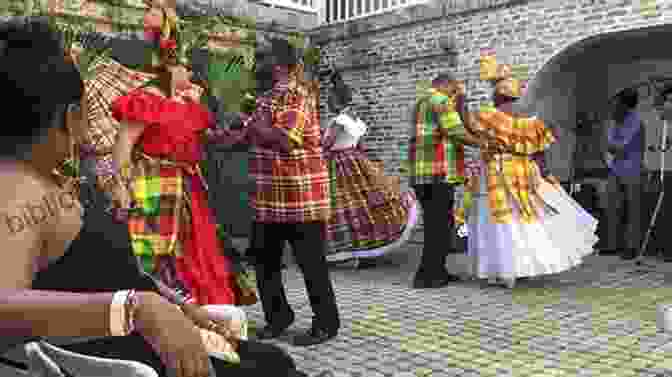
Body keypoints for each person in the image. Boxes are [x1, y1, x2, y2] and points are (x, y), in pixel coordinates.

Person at [0, 16, 313, 377]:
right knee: (276, 366)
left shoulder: (47, 180)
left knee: (272, 359)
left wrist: (182, 306)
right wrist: (135, 309)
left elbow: (112, 272)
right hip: (129, 355)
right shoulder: (17, 188)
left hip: (154, 331)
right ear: (71, 118)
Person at [82, 0, 257, 306]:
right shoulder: (145, 99)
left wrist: (241, 133)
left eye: (188, 66)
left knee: (201, 259)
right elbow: (122, 151)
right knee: (157, 262)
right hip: (152, 190)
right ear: (167, 66)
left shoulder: (191, 104)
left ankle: (207, 324)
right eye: (183, 66)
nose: (189, 73)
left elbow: (202, 142)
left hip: (190, 192)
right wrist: (121, 191)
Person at [209, 37, 340, 346]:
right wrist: (215, 137)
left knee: (312, 264)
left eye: (262, 58)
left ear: (279, 64)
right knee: (264, 262)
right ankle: (278, 317)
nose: (257, 63)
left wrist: (252, 125)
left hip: (300, 198)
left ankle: (326, 323)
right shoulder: (266, 98)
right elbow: (247, 137)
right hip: (268, 199)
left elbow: (284, 139)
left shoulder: (297, 95)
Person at [457, 66, 597, 288]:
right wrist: (547, 174)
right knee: (523, 221)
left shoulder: (490, 116)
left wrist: (460, 101)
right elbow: (540, 154)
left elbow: (468, 127)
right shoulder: (531, 123)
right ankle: (522, 269)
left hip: (497, 173)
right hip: (525, 174)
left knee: (499, 222)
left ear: (498, 97)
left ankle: (504, 272)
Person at [321, 70, 419, 266]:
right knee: (363, 206)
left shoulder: (339, 121)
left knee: (342, 207)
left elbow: (326, 145)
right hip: (357, 161)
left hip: (338, 164)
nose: (328, 104)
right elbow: (360, 147)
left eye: (329, 101)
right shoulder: (358, 122)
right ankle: (366, 249)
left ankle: (348, 251)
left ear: (335, 101)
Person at [404, 72, 482, 289]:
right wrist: (482, 143)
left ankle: (437, 271)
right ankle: (427, 276)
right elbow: (456, 131)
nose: (455, 94)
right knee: (438, 226)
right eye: (454, 90)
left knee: (435, 224)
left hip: (421, 174)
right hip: (438, 172)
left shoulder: (421, 101)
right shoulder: (440, 100)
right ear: (445, 86)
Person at [603, 88, 645, 260]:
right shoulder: (615, 121)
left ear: (626, 105)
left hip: (633, 170)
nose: (612, 107)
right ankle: (613, 245)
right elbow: (611, 146)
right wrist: (613, 146)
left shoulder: (636, 122)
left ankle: (631, 247)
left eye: (616, 103)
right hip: (615, 169)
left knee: (633, 210)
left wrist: (613, 146)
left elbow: (618, 148)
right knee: (612, 207)